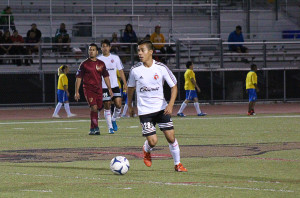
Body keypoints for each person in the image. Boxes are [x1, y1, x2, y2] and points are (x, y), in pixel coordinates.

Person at [127, 40, 187, 172]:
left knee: (171, 137)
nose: (139, 53)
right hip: (145, 112)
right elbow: (130, 88)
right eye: (138, 50)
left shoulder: (161, 68)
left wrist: (170, 104)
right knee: (153, 141)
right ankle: (146, 149)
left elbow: (174, 86)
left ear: (150, 52)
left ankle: (178, 164)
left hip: (161, 109)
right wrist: (130, 106)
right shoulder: (135, 70)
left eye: (142, 50)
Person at [75, 43, 113, 135]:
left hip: (99, 89)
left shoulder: (101, 64)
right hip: (88, 89)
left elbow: (106, 76)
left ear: (96, 52)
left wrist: (109, 89)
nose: (91, 51)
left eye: (93, 50)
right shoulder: (84, 64)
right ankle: (96, 128)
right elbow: (79, 78)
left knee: (98, 107)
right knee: (94, 107)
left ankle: (92, 129)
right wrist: (76, 91)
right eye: (90, 50)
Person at [97, 39, 127, 134]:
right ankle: (110, 127)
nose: (105, 48)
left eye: (106, 46)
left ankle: (113, 119)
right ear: (101, 48)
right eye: (103, 46)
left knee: (118, 104)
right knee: (107, 105)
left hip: (115, 85)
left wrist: (125, 84)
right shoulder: (98, 59)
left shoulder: (116, 58)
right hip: (104, 86)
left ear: (110, 47)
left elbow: (121, 71)